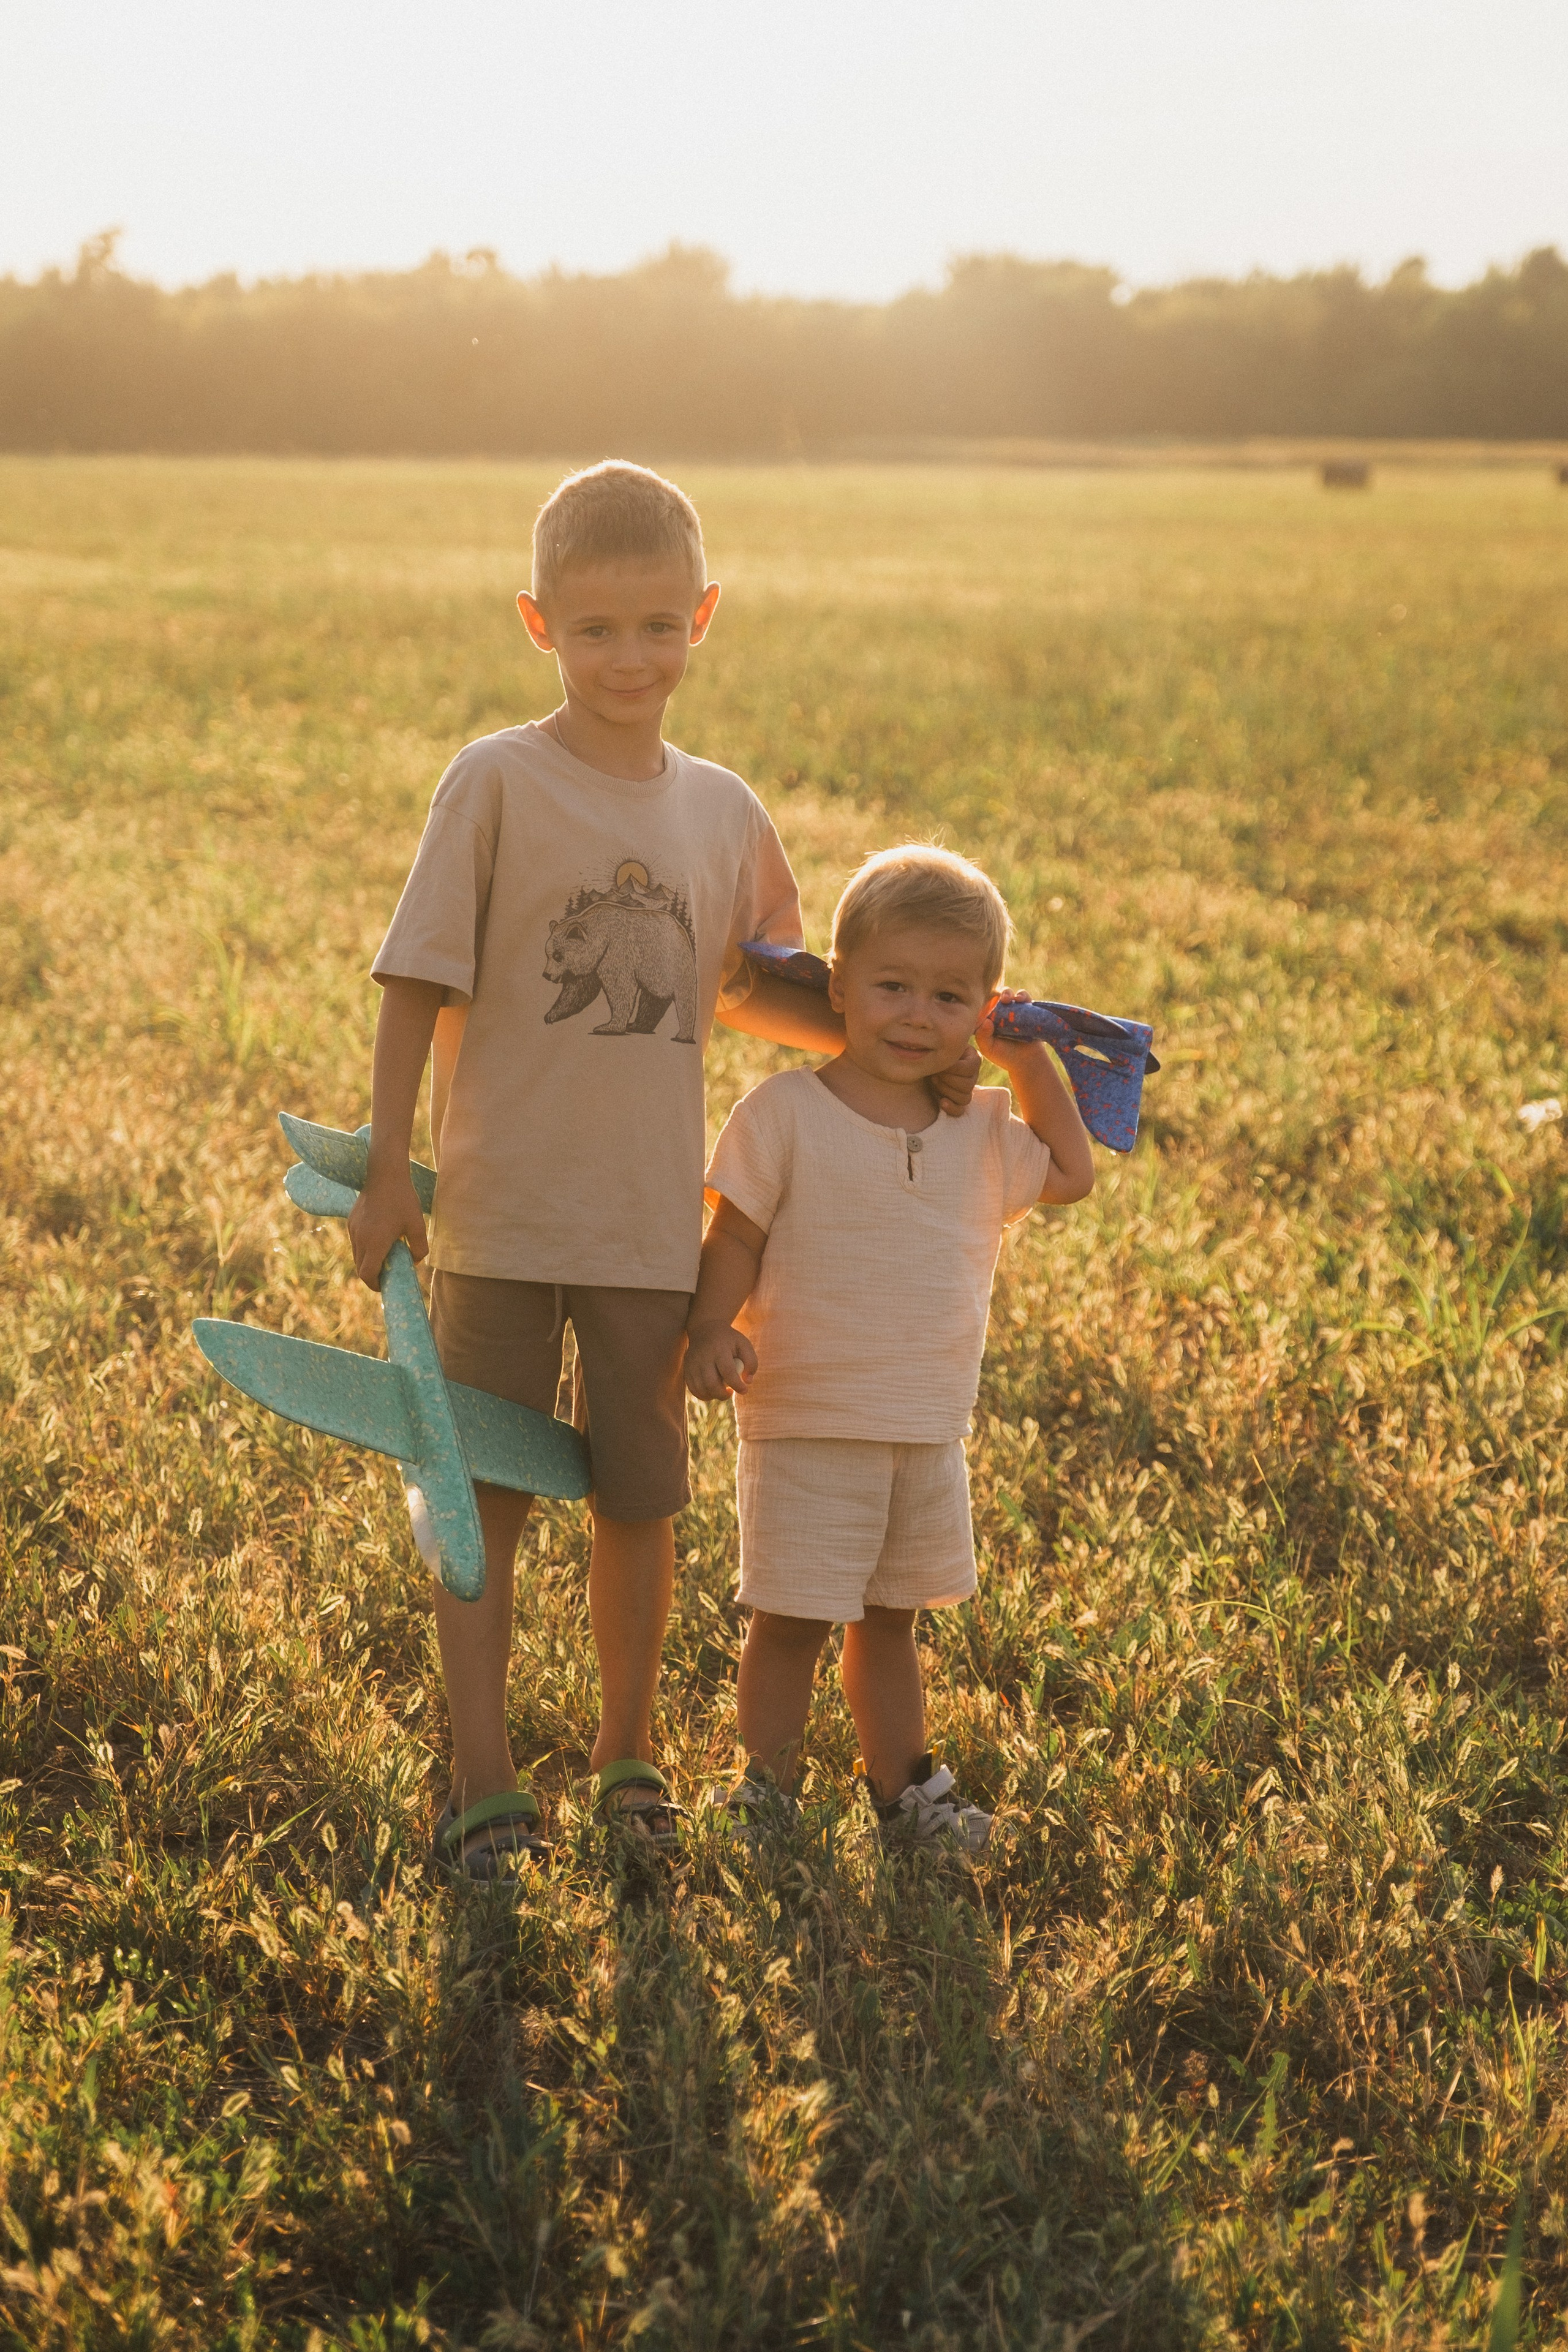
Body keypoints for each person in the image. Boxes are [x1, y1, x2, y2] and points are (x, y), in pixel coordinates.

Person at [347, 463, 978, 1879]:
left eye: (654, 627)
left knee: (639, 1501)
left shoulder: (723, 812)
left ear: (703, 618)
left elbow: (777, 992)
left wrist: (957, 1021)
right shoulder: (495, 782)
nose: (626, 659)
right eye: (592, 631)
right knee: (481, 1502)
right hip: (504, 1221)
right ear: (536, 624)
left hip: (649, 1235)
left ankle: (625, 1752)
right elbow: (412, 980)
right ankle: (480, 1776)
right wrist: (389, 1168)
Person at [685, 845, 1096, 1851]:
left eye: (951, 997)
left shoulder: (984, 1131)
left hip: (925, 1424)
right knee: (789, 1620)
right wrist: (709, 1326)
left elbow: (1076, 1174)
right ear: (839, 985)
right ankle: (765, 1794)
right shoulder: (783, 1114)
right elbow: (732, 1235)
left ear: (986, 1009)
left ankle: (903, 1795)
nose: (918, 1014)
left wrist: (1024, 1056)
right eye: (893, 986)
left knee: (892, 1620)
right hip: (806, 1417)